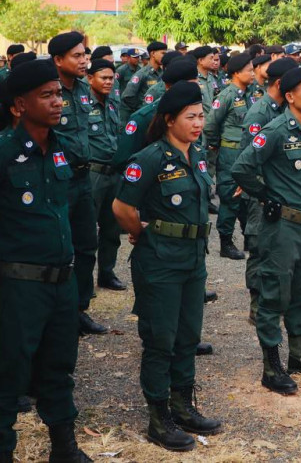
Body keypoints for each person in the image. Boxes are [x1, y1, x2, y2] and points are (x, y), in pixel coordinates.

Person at [0, 58, 92, 463]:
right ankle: (0, 451)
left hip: (61, 282)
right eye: (46, 95)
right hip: (18, 285)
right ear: (18, 105)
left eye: (58, 94)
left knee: (59, 367)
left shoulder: (61, 148)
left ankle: (64, 447)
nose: (57, 102)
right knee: (8, 372)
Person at [112, 82, 222, 452]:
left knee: (187, 336)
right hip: (160, 261)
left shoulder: (197, 155)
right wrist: (139, 231)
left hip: (192, 260)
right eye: (190, 117)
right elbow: (121, 207)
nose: (198, 123)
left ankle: (183, 406)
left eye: (201, 116)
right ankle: (158, 419)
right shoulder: (150, 158)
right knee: (160, 339)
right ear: (169, 120)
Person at [232, 66, 301, 395]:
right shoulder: (275, 130)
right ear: (290, 96)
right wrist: (266, 196)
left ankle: (299, 354)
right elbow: (242, 167)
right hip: (282, 226)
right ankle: (271, 366)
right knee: (274, 294)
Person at [47, 32, 105, 336]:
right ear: (58, 60)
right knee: (58, 247)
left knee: (86, 246)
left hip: (84, 178)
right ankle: (58, 311)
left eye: (85, 55)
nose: (84, 61)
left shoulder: (84, 89)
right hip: (58, 180)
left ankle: (79, 309)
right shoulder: (48, 91)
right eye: (77, 56)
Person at [239, 58, 298, 323]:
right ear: (281, 83)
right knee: (259, 246)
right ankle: (257, 304)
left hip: (281, 191)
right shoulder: (260, 113)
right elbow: (247, 161)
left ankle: (277, 299)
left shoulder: (287, 110)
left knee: (279, 246)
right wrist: (261, 193)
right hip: (261, 193)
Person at [205, 52, 256, 261]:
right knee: (230, 196)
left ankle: (249, 237)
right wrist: (216, 144)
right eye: (249, 70)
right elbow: (210, 124)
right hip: (230, 152)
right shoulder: (227, 95)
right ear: (236, 73)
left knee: (248, 196)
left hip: (247, 152)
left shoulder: (250, 94)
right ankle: (225, 242)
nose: (253, 74)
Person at [86, 59, 125, 292]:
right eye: (104, 78)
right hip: (93, 173)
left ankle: (107, 273)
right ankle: (84, 279)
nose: (109, 82)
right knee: (88, 230)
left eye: (111, 78)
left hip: (114, 173)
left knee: (112, 228)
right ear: (90, 78)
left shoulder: (112, 103)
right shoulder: (82, 104)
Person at [121, 41, 167, 121]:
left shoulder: (162, 73)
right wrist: (142, 109)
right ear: (153, 54)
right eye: (163, 53)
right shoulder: (142, 74)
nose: (165, 56)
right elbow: (128, 96)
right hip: (146, 118)